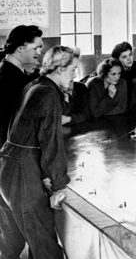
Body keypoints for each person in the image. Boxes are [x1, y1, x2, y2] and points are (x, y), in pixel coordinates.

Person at [0, 46, 77, 259]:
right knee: (45, 246)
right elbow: (51, 142)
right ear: (60, 69)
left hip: (6, 167)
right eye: (72, 70)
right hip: (23, 174)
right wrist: (58, 185)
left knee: (11, 242)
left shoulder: (33, 85)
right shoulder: (49, 94)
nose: (74, 76)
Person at [0, 25, 43, 146]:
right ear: (20, 48)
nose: (39, 52)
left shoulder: (17, 72)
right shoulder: (8, 76)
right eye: (36, 48)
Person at [61, 49, 90, 125]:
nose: (75, 76)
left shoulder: (81, 88)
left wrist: (69, 119)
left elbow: (86, 114)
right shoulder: (50, 92)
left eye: (74, 69)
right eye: (72, 69)